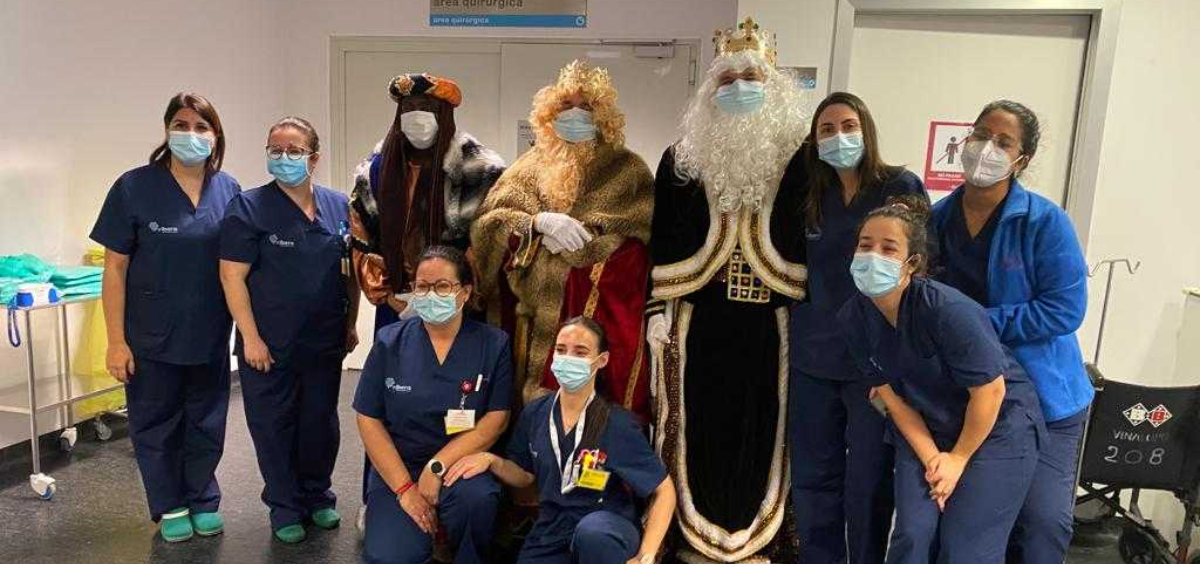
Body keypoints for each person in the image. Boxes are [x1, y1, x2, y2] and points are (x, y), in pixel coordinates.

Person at [646, 17, 807, 561]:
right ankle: (689, 536)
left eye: (751, 76)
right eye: (728, 78)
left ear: (775, 83)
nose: (739, 88)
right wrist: (656, 311)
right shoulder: (681, 158)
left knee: (767, 427)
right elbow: (661, 242)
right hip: (698, 319)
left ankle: (759, 537)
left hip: (771, 322)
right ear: (710, 89)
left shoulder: (801, 159)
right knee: (694, 427)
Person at [839, 196, 1045, 564]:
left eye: (889, 248)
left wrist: (959, 459)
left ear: (912, 264)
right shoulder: (853, 319)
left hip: (997, 428)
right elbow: (891, 400)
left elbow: (991, 391)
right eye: (865, 245)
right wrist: (935, 459)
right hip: (925, 429)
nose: (873, 256)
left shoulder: (949, 311)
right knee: (912, 533)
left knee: (965, 547)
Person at [929, 100, 1091, 564]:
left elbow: (1064, 310)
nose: (986, 149)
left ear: (1022, 160)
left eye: (1003, 142)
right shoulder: (937, 220)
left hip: (1046, 399)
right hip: (970, 397)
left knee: (1042, 522)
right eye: (981, 135)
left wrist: (978, 324)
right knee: (966, 524)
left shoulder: (1044, 222)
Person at [784, 92, 928, 564]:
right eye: (826, 129)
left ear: (866, 129)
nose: (839, 137)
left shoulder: (898, 186)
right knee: (813, 477)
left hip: (874, 362)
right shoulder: (810, 195)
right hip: (814, 357)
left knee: (867, 479)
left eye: (848, 126)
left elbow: (921, 268)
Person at [90, 92, 240, 543]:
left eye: (200, 126)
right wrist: (116, 341)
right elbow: (113, 268)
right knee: (156, 422)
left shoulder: (228, 188)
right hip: (149, 335)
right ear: (166, 130)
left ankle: (202, 499)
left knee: (207, 420)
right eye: (181, 124)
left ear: (215, 136)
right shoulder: (134, 187)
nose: (190, 134)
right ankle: (170, 504)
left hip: (209, 332)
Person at [471, 60, 654, 418]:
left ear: (603, 115)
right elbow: (488, 225)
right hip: (530, 323)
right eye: (566, 106)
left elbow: (637, 243)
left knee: (592, 418)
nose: (574, 114)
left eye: (585, 107)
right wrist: (535, 225)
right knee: (528, 421)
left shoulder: (628, 170)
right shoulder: (528, 166)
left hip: (591, 324)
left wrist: (587, 249)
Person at [218, 116, 360, 543]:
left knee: (320, 422)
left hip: (324, 340)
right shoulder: (248, 207)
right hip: (269, 344)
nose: (283, 158)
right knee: (273, 425)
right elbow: (232, 276)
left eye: (294, 151)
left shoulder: (339, 207)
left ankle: (318, 497)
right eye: (275, 149)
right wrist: (251, 337)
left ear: (314, 158)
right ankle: (284, 506)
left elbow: (350, 272)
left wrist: (351, 324)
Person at [447, 317, 676, 564]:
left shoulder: (617, 424)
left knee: (593, 532)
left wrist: (647, 554)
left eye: (580, 352)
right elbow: (524, 475)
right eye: (561, 350)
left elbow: (664, 491)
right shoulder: (535, 413)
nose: (568, 358)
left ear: (601, 361)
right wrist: (491, 460)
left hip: (606, 526)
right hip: (552, 530)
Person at [353, 245, 513, 564]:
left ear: (465, 293)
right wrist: (404, 490)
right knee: (388, 557)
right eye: (422, 287)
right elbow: (368, 418)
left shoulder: (493, 344)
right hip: (399, 465)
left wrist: (436, 466)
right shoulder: (389, 342)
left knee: (478, 500)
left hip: (459, 463)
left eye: (442, 286)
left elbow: (497, 418)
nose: (430, 295)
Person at [350, 72, 505, 331]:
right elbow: (361, 240)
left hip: (457, 307)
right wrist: (388, 293)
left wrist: (443, 293)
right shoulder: (376, 170)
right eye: (408, 109)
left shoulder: (479, 170)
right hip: (397, 305)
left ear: (444, 114)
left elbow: (488, 242)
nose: (416, 117)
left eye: (426, 108)